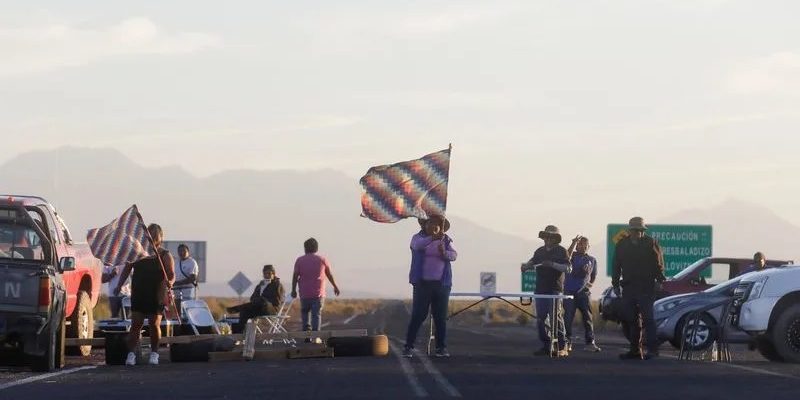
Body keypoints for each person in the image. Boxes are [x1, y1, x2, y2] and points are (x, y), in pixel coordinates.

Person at [114, 223, 175, 366]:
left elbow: (172, 274)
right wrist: (119, 285)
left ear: (160, 238)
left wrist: (170, 282)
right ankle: (131, 354)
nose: (152, 238)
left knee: (154, 324)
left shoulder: (164, 255)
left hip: (156, 293)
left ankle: (154, 353)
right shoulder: (137, 253)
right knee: (136, 324)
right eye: (149, 235)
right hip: (139, 291)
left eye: (155, 235)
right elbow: (127, 269)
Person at [403, 214, 457, 358]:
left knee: (440, 317)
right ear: (424, 225)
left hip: (441, 284)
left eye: (436, 223)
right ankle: (408, 346)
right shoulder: (418, 238)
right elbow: (416, 246)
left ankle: (441, 348)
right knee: (419, 315)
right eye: (430, 223)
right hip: (422, 284)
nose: (434, 226)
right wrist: (432, 239)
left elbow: (454, 255)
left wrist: (445, 253)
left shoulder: (446, 240)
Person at [612, 216, 666, 360]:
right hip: (629, 286)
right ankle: (635, 350)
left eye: (639, 230)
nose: (636, 233)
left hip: (646, 286)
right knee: (631, 319)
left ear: (643, 230)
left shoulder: (650, 243)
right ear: (630, 230)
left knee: (648, 318)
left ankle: (653, 350)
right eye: (634, 230)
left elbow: (658, 263)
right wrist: (615, 284)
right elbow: (616, 265)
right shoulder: (622, 244)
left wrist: (660, 280)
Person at [522, 225, 572, 357]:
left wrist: (552, 265)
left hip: (555, 289)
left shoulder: (562, 251)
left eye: (551, 236)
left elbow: (568, 269)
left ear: (556, 238)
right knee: (541, 318)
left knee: (556, 317)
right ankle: (547, 344)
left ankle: (562, 346)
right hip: (541, 289)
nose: (548, 239)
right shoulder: (539, 251)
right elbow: (532, 262)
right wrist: (526, 267)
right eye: (546, 236)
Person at [291, 238, 341, 336]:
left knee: (305, 314)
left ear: (305, 248)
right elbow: (329, 274)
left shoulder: (300, 260)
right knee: (316, 315)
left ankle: (306, 334)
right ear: (316, 248)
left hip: (304, 293)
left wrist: (293, 289)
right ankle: (315, 335)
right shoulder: (322, 260)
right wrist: (335, 286)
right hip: (318, 293)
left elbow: (295, 276)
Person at [563, 236, 601, 352]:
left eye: (585, 245)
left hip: (583, 293)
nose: (583, 247)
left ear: (588, 247)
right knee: (568, 317)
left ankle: (590, 342)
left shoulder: (592, 260)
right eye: (580, 244)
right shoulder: (572, 256)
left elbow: (593, 275)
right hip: (569, 292)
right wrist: (573, 243)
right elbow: (565, 257)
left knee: (587, 318)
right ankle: (567, 342)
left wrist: (589, 285)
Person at [227, 264, 285, 333]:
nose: (267, 275)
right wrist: (258, 299)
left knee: (263, 301)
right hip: (259, 308)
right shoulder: (260, 285)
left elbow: (277, 302)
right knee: (244, 311)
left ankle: (237, 309)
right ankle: (238, 334)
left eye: (269, 273)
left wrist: (264, 299)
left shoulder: (277, 285)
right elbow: (252, 298)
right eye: (265, 273)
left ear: (273, 274)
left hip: (272, 308)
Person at [173, 244, 199, 312]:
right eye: (179, 251)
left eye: (183, 251)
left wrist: (178, 283)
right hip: (176, 289)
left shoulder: (192, 262)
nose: (181, 253)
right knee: (178, 308)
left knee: (188, 309)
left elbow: (193, 278)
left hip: (188, 290)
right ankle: (180, 321)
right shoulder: (176, 262)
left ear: (188, 252)